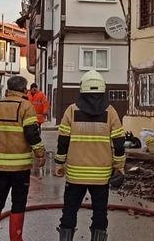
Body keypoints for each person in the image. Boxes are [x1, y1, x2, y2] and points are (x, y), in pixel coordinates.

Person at [54, 70, 126, 241]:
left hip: (75, 175)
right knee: (100, 213)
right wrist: (119, 167)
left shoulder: (71, 111)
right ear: (103, 90)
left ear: (82, 90)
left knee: (69, 211)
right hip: (101, 175)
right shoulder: (111, 112)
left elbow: (62, 142)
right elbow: (119, 143)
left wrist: (59, 163)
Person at [0, 75, 46, 241]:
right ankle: (16, 238)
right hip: (20, 167)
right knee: (18, 203)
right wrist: (40, 153)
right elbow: (32, 134)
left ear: (8, 89)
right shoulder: (26, 106)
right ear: (24, 90)